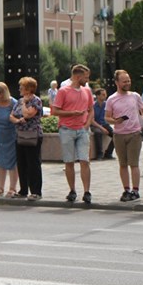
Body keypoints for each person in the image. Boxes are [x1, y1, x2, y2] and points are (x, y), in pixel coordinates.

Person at [52, 64, 94, 203]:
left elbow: (90, 109)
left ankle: (87, 191)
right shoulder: (63, 91)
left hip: (82, 130)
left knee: (84, 160)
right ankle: (72, 190)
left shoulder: (86, 91)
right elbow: (55, 111)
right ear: (77, 76)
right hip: (66, 129)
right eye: (85, 77)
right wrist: (72, 113)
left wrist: (87, 124)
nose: (87, 80)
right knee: (69, 161)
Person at [105, 70, 143, 202]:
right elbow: (107, 117)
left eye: (128, 80)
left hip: (134, 133)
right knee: (123, 164)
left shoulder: (135, 96)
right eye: (124, 81)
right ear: (117, 82)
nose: (127, 83)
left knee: (134, 163)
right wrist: (115, 121)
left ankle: (135, 190)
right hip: (119, 135)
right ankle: (126, 189)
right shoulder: (111, 99)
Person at [13, 76, 44, 201]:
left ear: (28, 89)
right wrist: (17, 120)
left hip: (33, 135)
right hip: (20, 134)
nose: (19, 88)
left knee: (33, 164)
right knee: (22, 163)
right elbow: (12, 115)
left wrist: (24, 104)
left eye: (22, 86)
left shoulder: (36, 101)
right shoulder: (19, 100)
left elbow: (28, 114)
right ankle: (23, 190)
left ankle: (36, 191)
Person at [0, 82, 19, 197]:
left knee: (12, 162)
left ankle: (12, 188)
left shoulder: (14, 103)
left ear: (1, 94)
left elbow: (18, 118)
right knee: (0, 161)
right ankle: (0, 188)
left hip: (11, 134)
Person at [91, 88, 115, 160]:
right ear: (98, 96)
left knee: (116, 135)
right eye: (103, 95)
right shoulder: (93, 106)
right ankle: (99, 154)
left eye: (105, 94)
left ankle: (108, 153)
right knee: (98, 133)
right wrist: (102, 128)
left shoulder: (107, 104)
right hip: (95, 125)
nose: (105, 96)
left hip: (105, 124)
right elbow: (92, 121)